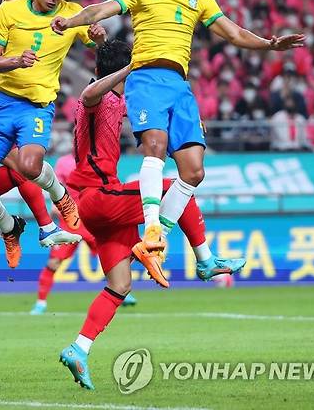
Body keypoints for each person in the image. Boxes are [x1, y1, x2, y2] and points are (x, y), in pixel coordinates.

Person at [51, 0, 304, 280]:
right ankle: (152, 229)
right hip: (146, 78)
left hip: (179, 87)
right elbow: (102, 9)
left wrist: (269, 44)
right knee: (154, 146)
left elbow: (233, 33)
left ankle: (176, 249)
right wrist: (72, 21)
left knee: (193, 171)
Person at [57, 40, 245, 389]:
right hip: (99, 197)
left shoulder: (120, 102)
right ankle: (203, 260)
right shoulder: (99, 99)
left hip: (96, 206)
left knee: (120, 285)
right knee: (178, 186)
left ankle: (79, 348)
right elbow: (88, 95)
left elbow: (148, 113)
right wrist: (132, 67)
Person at [0, 0, 107, 269]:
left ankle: (60, 200)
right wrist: (15, 61)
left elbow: (99, 45)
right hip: (0, 103)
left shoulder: (71, 13)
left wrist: (99, 37)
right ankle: (10, 224)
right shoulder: (8, 12)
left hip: (36, 106)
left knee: (28, 166)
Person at [29, 153, 136, 315]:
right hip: (70, 218)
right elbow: (55, 183)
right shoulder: (64, 162)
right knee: (53, 263)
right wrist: (54, 204)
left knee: (110, 254)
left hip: (91, 215)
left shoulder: (97, 159)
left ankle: (121, 290)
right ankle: (41, 303)